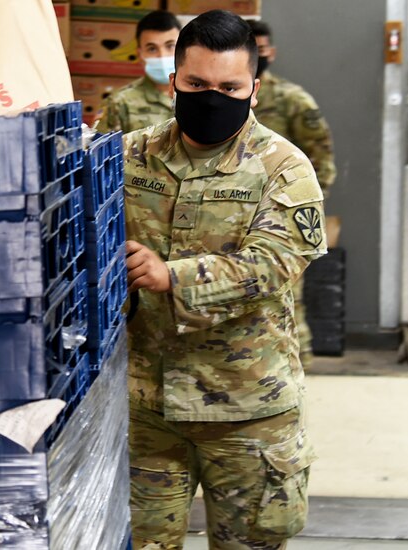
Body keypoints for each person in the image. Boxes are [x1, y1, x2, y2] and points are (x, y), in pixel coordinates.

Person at [123, 10, 325, 549]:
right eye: (197, 84)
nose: (211, 98)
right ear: (174, 82)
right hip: (148, 406)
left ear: (253, 90)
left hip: (247, 414)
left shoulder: (284, 167)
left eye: (229, 87)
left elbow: (274, 264)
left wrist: (172, 276)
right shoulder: (130, 157)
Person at [248, 18, 337, 371]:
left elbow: (322, 157)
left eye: (263, 47)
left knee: (287, 296)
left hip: (279, 218)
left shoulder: (291, 99)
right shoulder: (221, 93)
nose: (261, 53)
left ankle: (297, 367)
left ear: (272, 52)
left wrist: (303, 208)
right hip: (230, 212)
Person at [94, 10, 181, 133]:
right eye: (152, 49)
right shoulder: (118, 103)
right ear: (139, 54)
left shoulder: (200, 95)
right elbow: (101, 150)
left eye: (170, 46)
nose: (162, 56)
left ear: (183, 49)